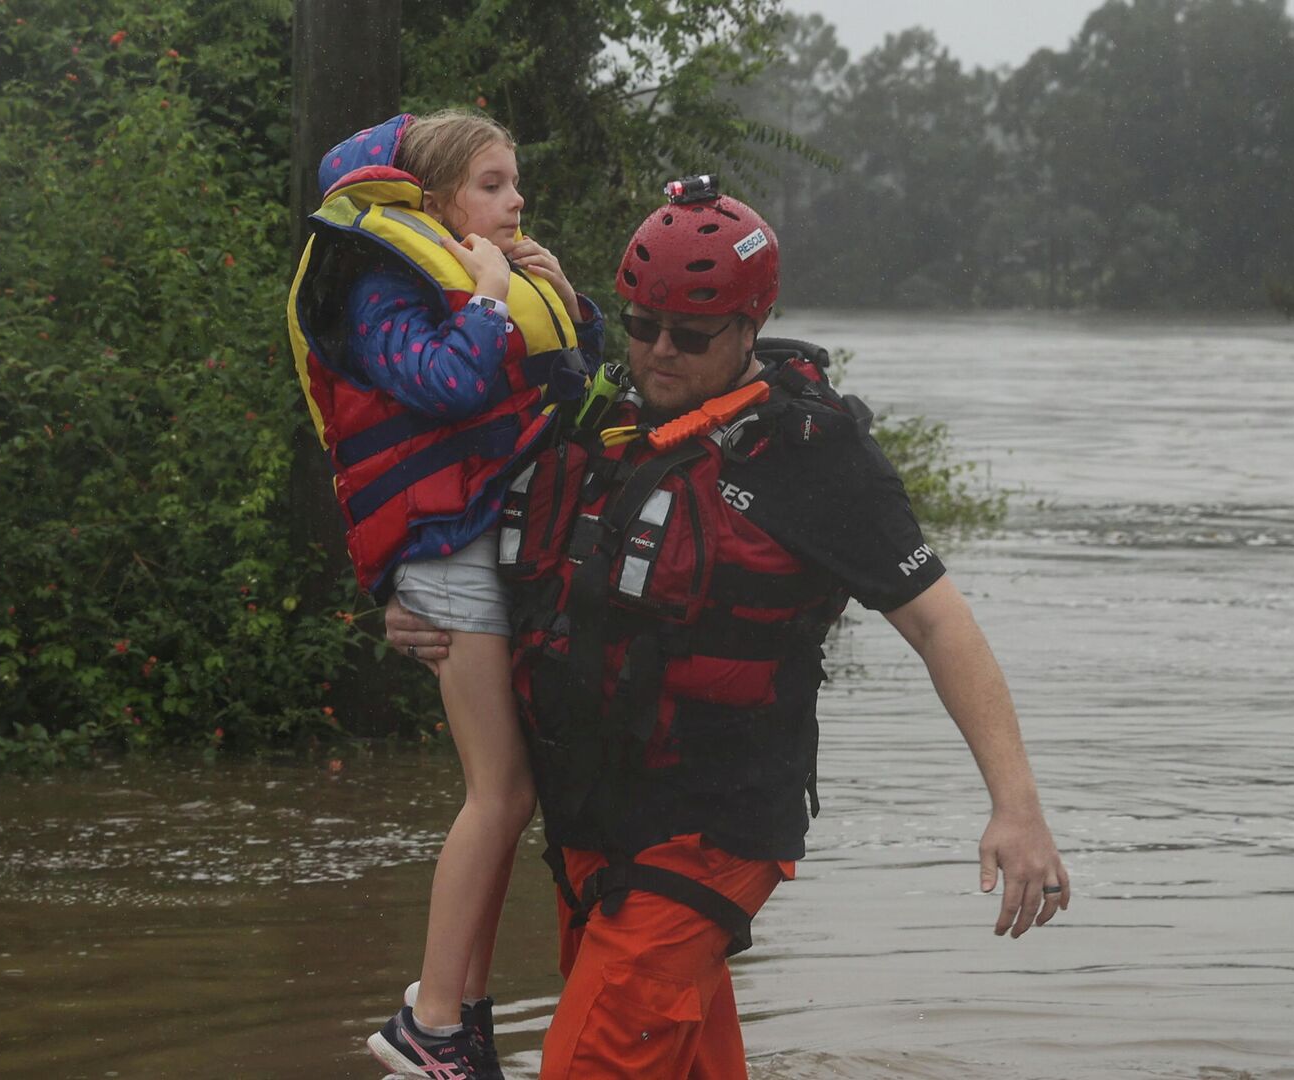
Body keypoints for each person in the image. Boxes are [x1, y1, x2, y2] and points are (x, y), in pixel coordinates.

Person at [385, 178, 1070, 1079]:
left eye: (691, 335)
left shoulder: (815, 458)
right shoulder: (597, 416)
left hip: (708, 834)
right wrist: (416, 605)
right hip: (592, 828)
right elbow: (487, 541)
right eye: (641, 325)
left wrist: (1016, 806)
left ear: (752, 325)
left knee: (587, 1062)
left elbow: (941, 623)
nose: (658, 352)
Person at [287, 109, 605, 1080]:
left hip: (482, 542)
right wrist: (494, 297)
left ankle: (462, 1016)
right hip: (444, 557)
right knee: (497, 793)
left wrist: (563, 300)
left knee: (511, 797)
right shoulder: (382, 284)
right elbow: (450, 383)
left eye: (516, 185)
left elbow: (577, 388)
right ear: (432, 201)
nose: (516, 202)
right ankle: (428, 1024)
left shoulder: (476, 274)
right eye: (495, 185)